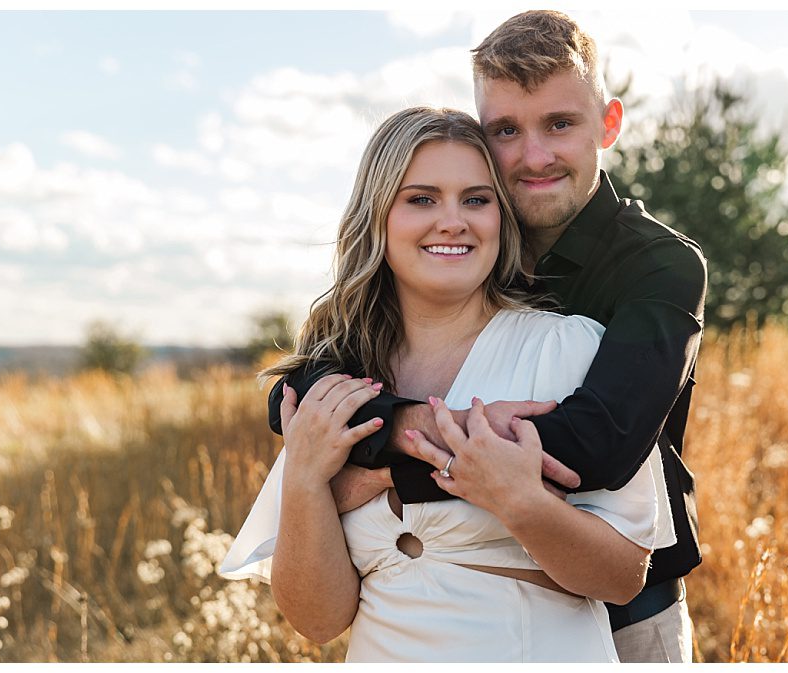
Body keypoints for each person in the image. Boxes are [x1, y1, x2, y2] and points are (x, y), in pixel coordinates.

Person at [268, 11, 707, 663]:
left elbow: (597, 444)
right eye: (506, 130)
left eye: (560, 123)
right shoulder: (461, 244)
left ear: (608, 124)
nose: (534, 156)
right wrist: (401, 422)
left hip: (626, 606)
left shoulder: (658, 265)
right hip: (425, 607)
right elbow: (295, 395)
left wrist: (377, 466)